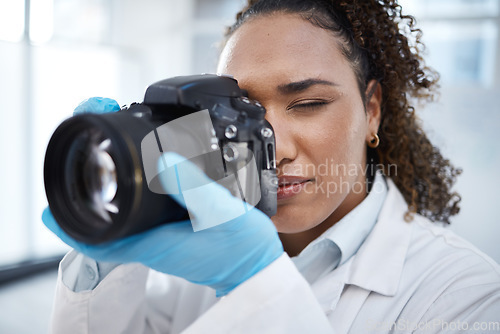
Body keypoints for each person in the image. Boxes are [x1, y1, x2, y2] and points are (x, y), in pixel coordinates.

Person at [43, 0, 500, 333]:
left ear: (372, 109)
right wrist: (103, 264)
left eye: (308, 103)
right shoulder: (198, 261)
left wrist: (257, 282)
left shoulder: (469, 296)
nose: (273, 149)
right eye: (245, 114)